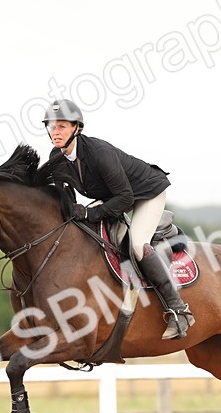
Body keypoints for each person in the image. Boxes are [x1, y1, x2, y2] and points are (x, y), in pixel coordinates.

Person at [42, 99, 195, 340]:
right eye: (51, 126)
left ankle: (179, 311)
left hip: (145, 192)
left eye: (61, 126)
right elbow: (65, 196)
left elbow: (125, 197)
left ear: (76, 128)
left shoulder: (99, 153)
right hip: (116, 195)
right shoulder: (56, 157)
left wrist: (91, 213)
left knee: (136, 243)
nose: (55, 131)